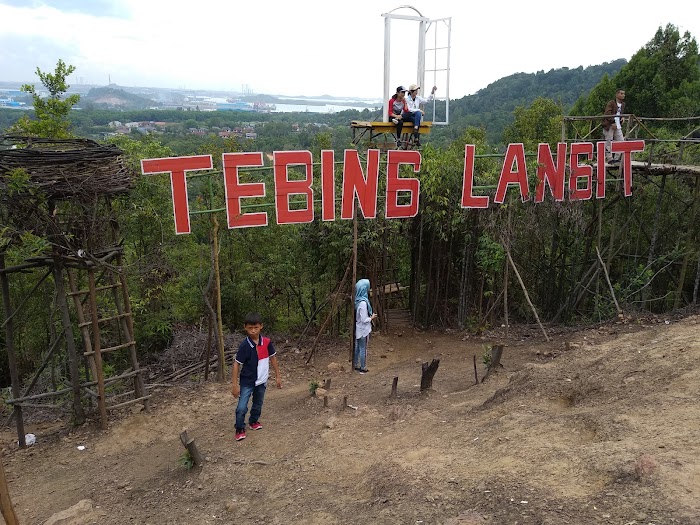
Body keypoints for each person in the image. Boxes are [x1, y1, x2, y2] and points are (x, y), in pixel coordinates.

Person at [232, 312, 282, 442]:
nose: (253, 331)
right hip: (247, 381)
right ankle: (239, 428)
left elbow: (273, 358)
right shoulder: (245, 345)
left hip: (262, 380)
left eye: (256, 327)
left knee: (258, 403)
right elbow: (237, 364)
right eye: (250, 328)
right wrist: (234, 385)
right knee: (242, 407)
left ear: (261, 327)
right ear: (245, 328)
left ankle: (253, 421)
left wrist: (278, 376)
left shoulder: (266, 342)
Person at [354, 279, 377, 374]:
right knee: (363, 349)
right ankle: (363, 368)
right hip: (363, 329)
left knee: (358, 348)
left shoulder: (357, 300)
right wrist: (371, 318)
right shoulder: (363, 303)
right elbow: (364, 319)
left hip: (359, 328)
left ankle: (355, 364)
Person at [602, 89, 626, 164]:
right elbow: (607, 113)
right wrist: (612, 122)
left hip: (618, 125)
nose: (623, 95)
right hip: (610, 125)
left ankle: (616, 158)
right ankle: (609, 159)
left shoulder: (623, 104)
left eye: (623, 94)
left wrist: (622, 118)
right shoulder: (611, 103)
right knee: (609, 141)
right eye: (621, 93)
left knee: (621, 141)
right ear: (617, 94)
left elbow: (619, 113)